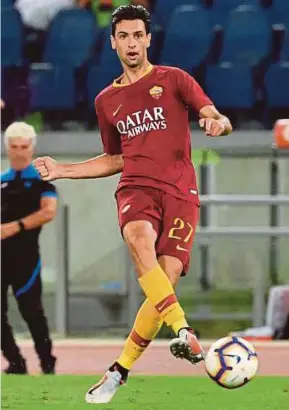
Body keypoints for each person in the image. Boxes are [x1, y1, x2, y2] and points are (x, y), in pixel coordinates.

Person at [34, 4, 232, 403]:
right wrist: (61, 169)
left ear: (148, 39)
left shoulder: (174, 79)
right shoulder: (107, 100)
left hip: (180, 194)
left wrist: (216, 123)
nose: (131, 43)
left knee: (165, 281)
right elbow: (114, 158)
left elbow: (215, 114)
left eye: (137, 35)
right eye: (123, 36)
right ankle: (184, 331)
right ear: (113, 43)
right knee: (139, 239)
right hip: (136, 188)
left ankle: (119, 369)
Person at [1, 122, 58, 375]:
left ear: (32, 148)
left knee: (32, 312)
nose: (19, 152)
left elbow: (49, 211)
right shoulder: (2, 181)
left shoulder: (42, 180)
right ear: (7, 148)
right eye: (14, 147)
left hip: (26, 258)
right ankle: (15, 362)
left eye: (24, 147)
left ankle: (47, 363)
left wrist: (16, 226)